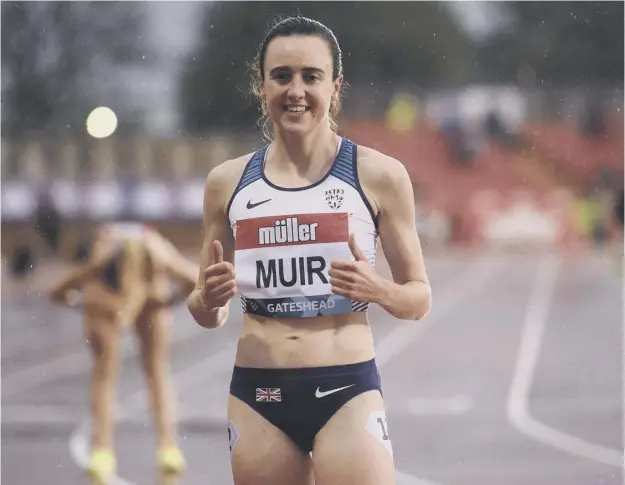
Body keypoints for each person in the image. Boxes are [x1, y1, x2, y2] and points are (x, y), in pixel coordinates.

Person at [187, 16, 431, 485]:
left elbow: (419, 298)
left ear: (335, 86)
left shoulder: (379, 175)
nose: (295, 90)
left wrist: (378, 289)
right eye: (281, 76)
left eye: (310, 76)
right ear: (262, 86)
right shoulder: (227, 182)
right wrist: (211, 299)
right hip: (258, 396)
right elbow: (205, 309)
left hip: (346, 389)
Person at [47, 222, 197, 484]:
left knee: (155, 369)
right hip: (104, 296)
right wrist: (82, 303)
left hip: (151, 290)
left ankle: (168, 447)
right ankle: (103, 449)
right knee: (105, 372)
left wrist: (166, 302)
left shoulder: (156, 258)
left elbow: (194, 280)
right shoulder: (98, 274)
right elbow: (56, 292)